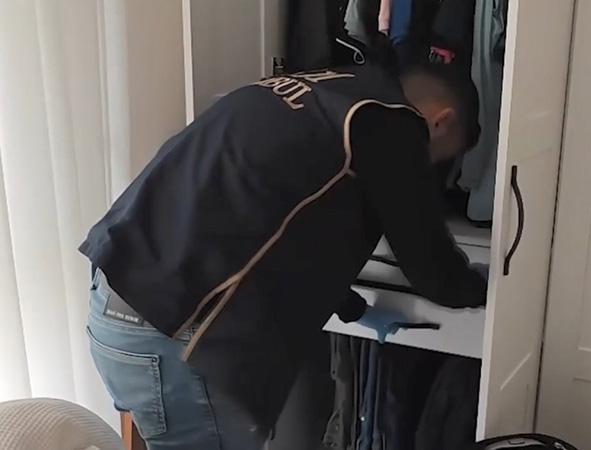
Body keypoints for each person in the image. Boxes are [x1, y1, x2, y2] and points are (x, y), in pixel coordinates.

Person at [80, 62, 487, 450]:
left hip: (113, 305)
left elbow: (281, 224)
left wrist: (351, 306)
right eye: (440, 157)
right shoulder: (394, 123)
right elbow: (433, 270)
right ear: (441, 121)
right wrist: (493, 289)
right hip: (175, 339)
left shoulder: (319, 91)